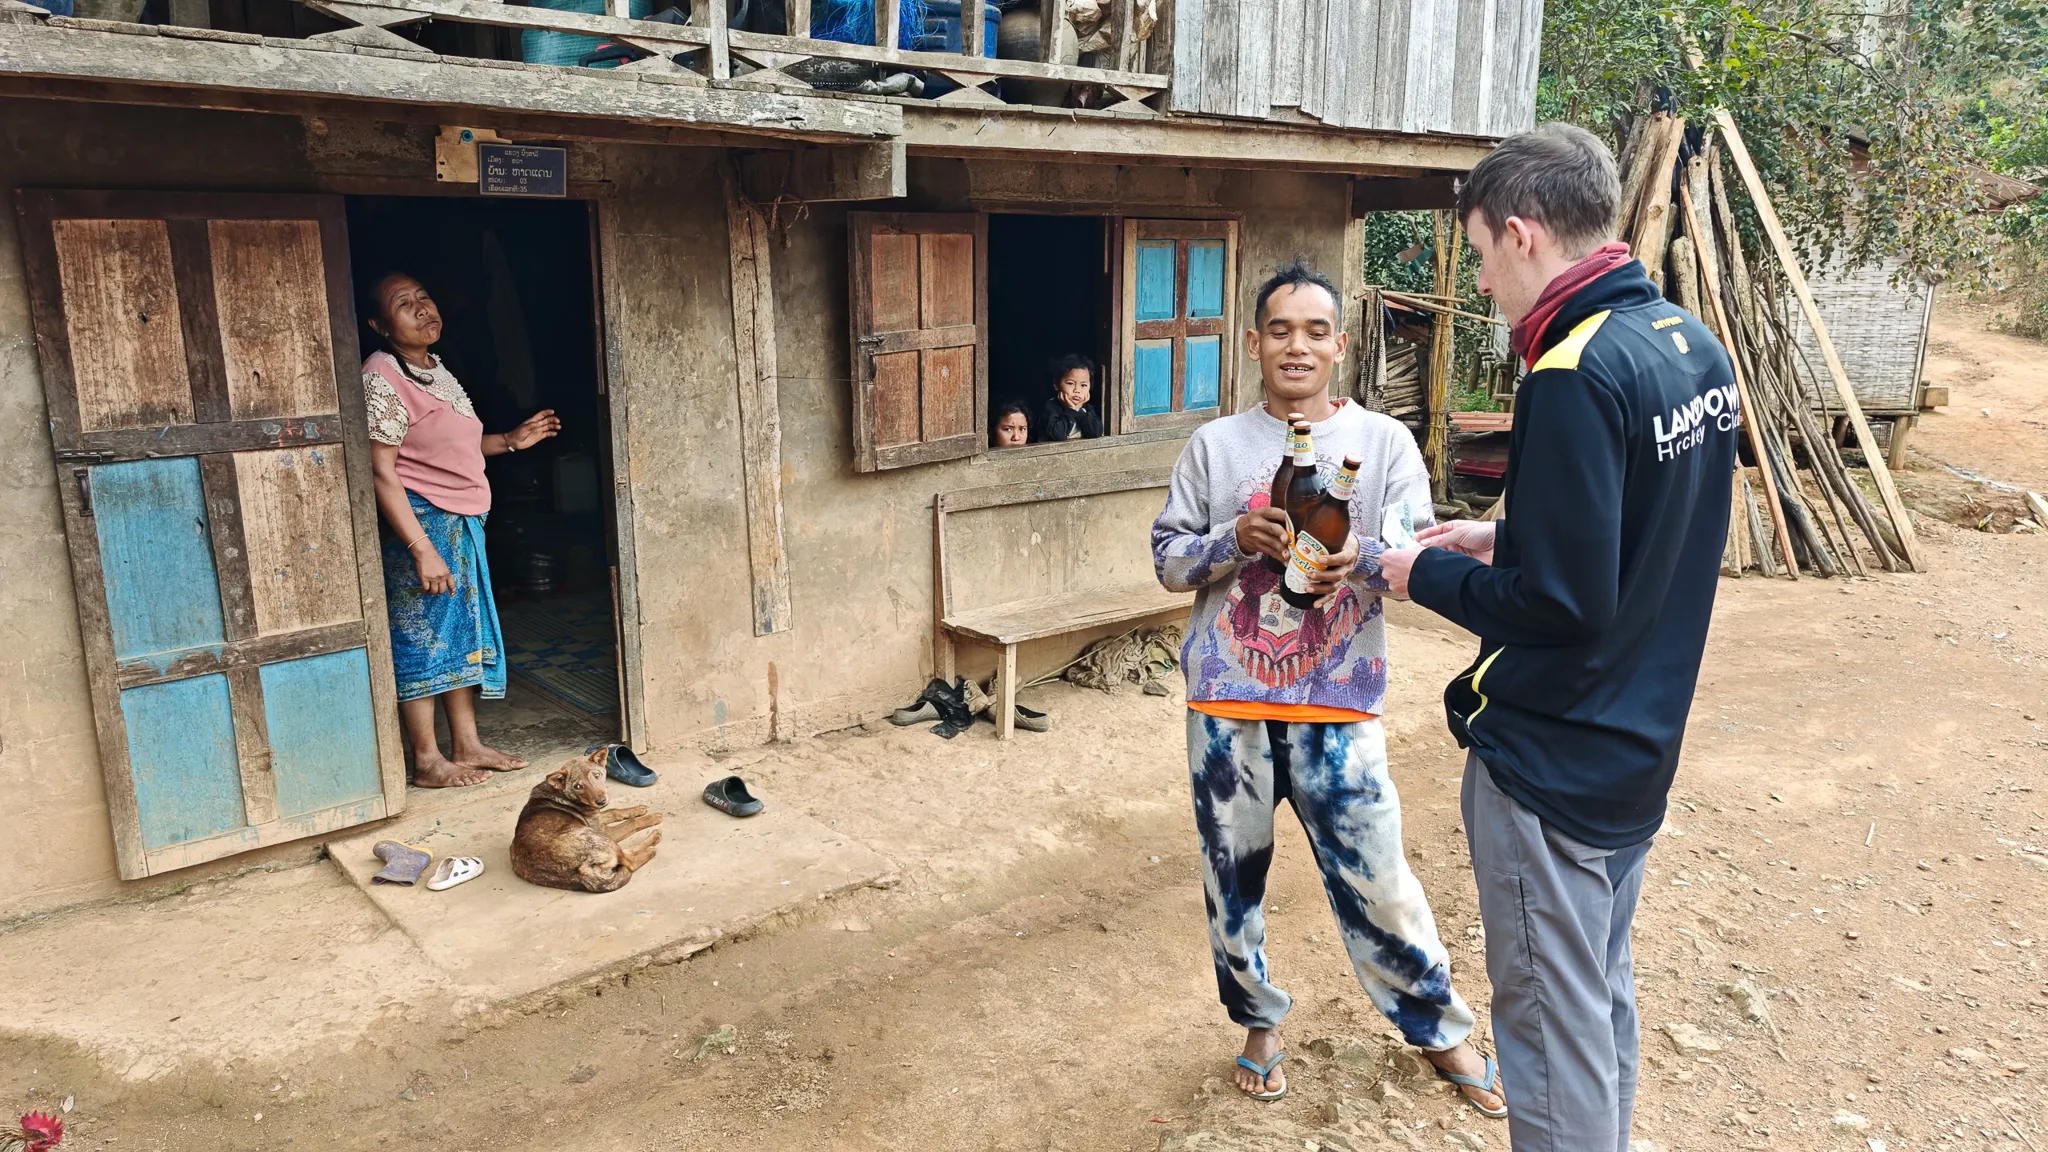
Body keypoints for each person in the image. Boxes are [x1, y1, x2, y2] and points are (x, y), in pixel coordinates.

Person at [1378, 124, 1740, 1151]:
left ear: (1520, 233)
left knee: (1543, 1028)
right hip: (1635, 744)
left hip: (1554, 760)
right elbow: (1648, 531)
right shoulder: (1681, 344)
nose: (1484, 283)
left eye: (1482, 257)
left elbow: (1562, 606)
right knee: (1594, 1001)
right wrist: (1504, 535)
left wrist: (1424, 573)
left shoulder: (1571, 370)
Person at [1151, 259, 1507, 1113]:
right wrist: (1234, 537)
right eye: (1280, 330)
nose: (1297, 347)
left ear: (1340, 345)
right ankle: (1258, 1022)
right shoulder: (1216, 446)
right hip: (1227, 702)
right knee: (1230, 879)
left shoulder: (1382, 444)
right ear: (1253, 344)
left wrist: (1371, 565)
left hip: (1338, 700)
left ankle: (1439, 1029)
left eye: (1315, 331)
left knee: (1378, 876)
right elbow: (1168, 561)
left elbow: (1419, 560)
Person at [362, 271, 562, 789]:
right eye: (404, 304)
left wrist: (512, 440)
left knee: (459, 636)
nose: (421, 308)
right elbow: (382, 472)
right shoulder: (382, 376)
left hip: (460, 522)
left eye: (424, 297)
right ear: (380, 325)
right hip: (424, 524)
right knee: (423, 640)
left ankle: (467, 746)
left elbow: (452, 448)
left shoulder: (434, 368)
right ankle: (428, 760)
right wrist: (421, 549)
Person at [1037, 354, 1103, 441]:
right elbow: (1058, 435)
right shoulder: (1051, 407)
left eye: (1083, 385)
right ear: (1056, 384)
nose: (1077, 390)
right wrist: (1071, 410)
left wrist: (1079, 410)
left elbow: (1096, 432)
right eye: (1070, 383)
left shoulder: (1087, 409)